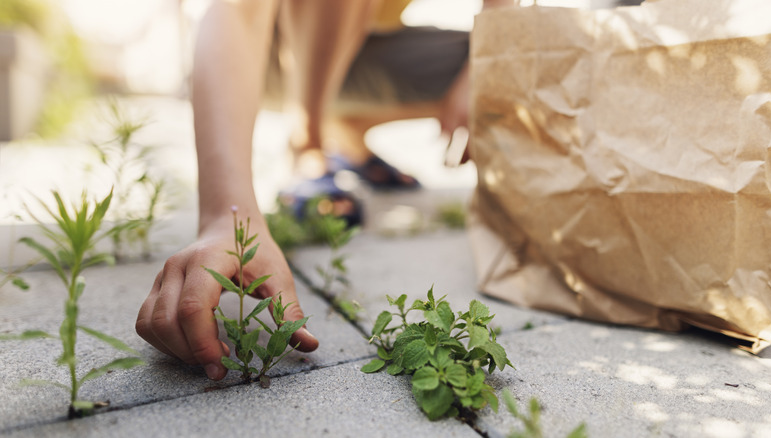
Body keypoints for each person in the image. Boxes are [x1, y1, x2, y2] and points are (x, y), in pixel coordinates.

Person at [134, 0, 507, 381]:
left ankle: (346, 137)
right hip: (268, 56)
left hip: (363, 52)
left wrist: (484, 66)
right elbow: (238, 13)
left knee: (526, 63)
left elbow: (504, 16)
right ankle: (307, 141)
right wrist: (226, 216)